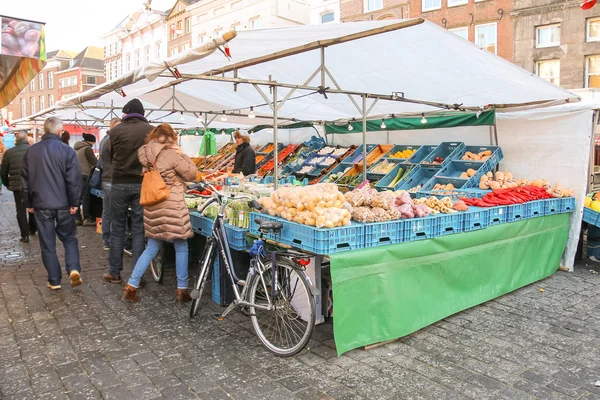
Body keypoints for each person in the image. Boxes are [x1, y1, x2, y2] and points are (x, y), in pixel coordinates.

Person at [122, 124, 197, 303]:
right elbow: (192, 174)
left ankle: (131, 286)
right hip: (172, 206)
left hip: (153, 204)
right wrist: (182, 154)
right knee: (181, 247)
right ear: (171, 137)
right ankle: (182, 290)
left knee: (152, 248)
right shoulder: (171, 154)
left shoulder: (146, 155)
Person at [21, 117, 83, 290]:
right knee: (69, 238)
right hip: (63, 204)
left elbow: (25, 180)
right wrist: (75, 202)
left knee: (47, 243)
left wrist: (28, 202)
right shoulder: (67, 151)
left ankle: (54, 280)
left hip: (41, 204)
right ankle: (73, 268)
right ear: (59, 132)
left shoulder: (31, 152)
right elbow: (74, 180)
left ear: (44, 131)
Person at [104, 98, 153, 284]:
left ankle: (114, 273)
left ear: (126, 113)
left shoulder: (115, 131)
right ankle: (137, 276)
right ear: (142, 114)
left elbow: (109, 156)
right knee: (139, 229)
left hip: (119, 182)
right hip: (142, 184)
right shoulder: (150, 131)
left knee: (117, 227)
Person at [1, 131, 37, 242]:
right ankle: (33, 228)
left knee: (20, 210)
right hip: (33, 184)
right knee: (33, 206)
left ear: (16, 140)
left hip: (17, 187)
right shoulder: (34, 151)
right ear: (26, 139)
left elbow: (3, 171)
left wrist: (7, 184)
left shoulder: (9, 153)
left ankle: (25, 235)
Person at [99, 118, 121, 250]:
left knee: (106, 212)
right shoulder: (114, 141)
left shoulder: (103, 140)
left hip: (105, 179)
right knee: (117, 213)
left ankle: (106, 240)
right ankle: (116, 242)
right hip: (113, 180)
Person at [74, 133, 98, 226]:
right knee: (86, 197)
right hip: (85, 175)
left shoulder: (76, 148)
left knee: (77, 197)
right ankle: (87, 218)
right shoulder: (87, 149)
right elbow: (95, 162)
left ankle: (77, 218)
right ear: (91, 142)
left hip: (76, 174)